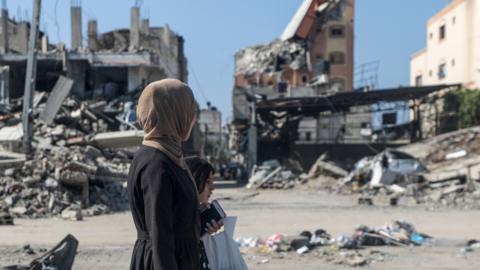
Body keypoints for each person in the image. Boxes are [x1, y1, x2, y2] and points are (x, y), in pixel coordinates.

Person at [127, 79, 220, 270]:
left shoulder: (171, 156)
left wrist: (197, 220)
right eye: (188, 110)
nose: (192, 118)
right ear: (173, 113)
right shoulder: (155, 164)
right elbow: (160, 235)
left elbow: (173, 220)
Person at [185, 156, 222, 270]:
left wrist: (204, 233)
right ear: (193, 180)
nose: (212, 187)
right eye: (207, 182)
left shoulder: (195, 211)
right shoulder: (178, 216)